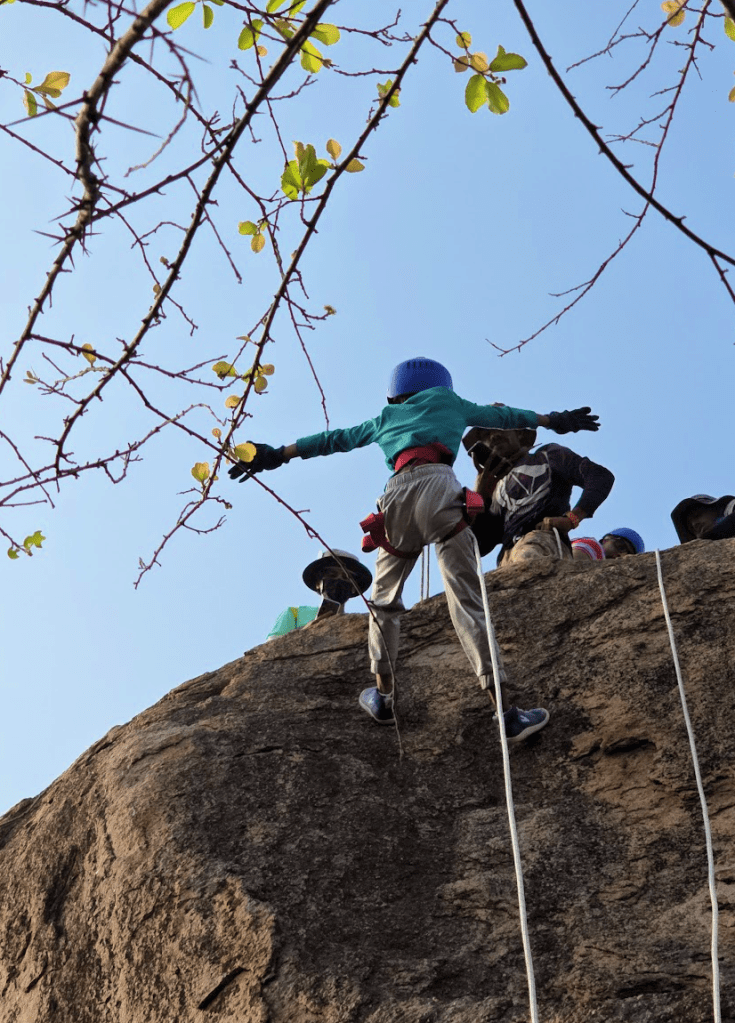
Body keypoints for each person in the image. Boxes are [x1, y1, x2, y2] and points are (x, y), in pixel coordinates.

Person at [230, 356, 601, 743]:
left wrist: (278, 454)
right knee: (466, 600)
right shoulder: (449, 402)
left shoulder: (385, 419)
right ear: (441, 385)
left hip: (395, 500)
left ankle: (384, 696)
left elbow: (334, 440)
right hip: (441, 490)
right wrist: (556, 419)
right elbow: (504, 416)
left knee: (384, 602)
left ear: (395, 395)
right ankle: (506, 713)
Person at [462, 426, 614, 566]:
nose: (493, 437)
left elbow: (600, 477)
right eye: (485, 435)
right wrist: (479, 495)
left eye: (500, 427)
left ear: (520, 433)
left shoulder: (548, 456)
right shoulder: (496, 488)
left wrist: (572, 519)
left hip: (543, 540)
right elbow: (476, 546)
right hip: (507, 556)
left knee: (526, 560)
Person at [267, 549, 372, 640]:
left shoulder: (357, 626)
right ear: (318, 583)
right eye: (332, 575)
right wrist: (306, 632)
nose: (339, 580)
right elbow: (269, 650)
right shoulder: (294, 615)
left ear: (354, 588)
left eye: (346, 577)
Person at [671, 494, 735, 544]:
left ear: (715, 509)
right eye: (691, 528)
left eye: (697, 515)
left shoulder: (729, 509)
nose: (694, 524)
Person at [571, 527, 645, 562]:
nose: (622, 555)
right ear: (605, 540)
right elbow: (574, 562)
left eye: (628, 555)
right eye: (621, 547)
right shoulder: (593, 546)